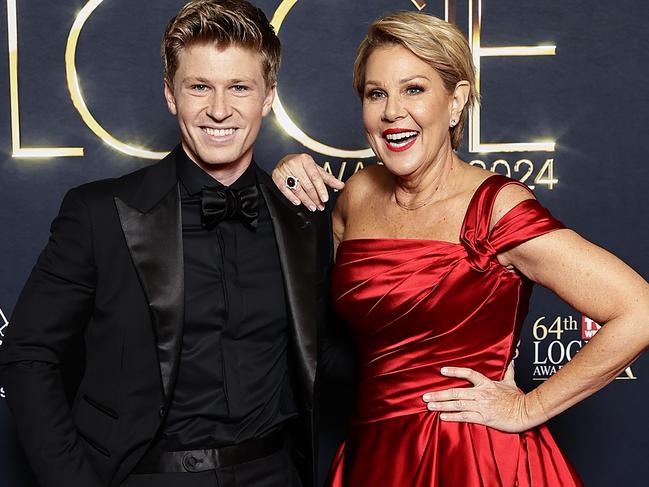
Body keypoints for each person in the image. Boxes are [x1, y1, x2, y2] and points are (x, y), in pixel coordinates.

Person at [272, 11, 649, 486]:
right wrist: (285, 179)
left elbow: (640, 310)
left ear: (456, 102)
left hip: (473, 457)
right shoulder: (357, 194)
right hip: (374, 455)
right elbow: (295, 316)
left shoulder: (496, 207)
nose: (392, 112)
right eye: (376, 93)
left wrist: (530, 406)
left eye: (414, 90)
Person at [0, 1, 351, 487]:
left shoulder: (304, 218)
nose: (220, 109)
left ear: (268, 96)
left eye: (240, 88)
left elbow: (334, 354)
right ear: (171, 95)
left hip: (274, 472)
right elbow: (27, 353)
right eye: (200, 87)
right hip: (147, 475)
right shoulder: (100, 214)